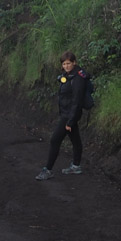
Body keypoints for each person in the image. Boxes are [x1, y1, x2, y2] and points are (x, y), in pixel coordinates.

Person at [36, 50, 88, 180]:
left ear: (74, 63)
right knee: (75, 140)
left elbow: (77, 101)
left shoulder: (77, 79)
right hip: (67, 113)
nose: (66, 66)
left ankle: (47, 170)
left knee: (55, 140)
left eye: (69, 63)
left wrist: (70, 121)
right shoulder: (68, 75)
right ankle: (76, 166)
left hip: (69, 115)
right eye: (64, 64)